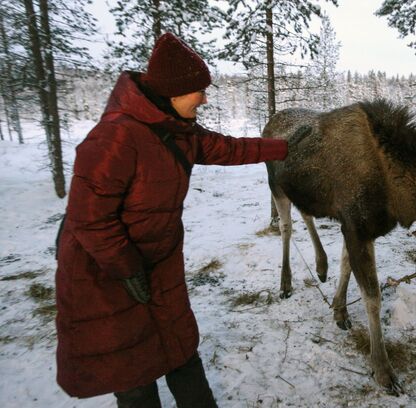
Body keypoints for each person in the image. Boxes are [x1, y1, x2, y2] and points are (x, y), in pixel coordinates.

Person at [55, 32, 288, 407]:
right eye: (199, 90)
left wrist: (285, 147)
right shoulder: (114, 138)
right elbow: (89, 219)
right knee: (134, 374)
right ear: (173, 93)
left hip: (157, 265)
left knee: (180, 353)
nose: (205, 98)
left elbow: (228, 148)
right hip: (106, 274)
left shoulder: (176, 131)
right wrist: (127, 268)